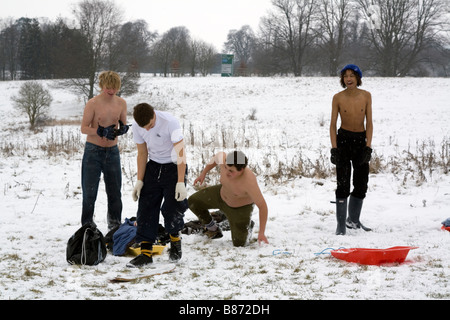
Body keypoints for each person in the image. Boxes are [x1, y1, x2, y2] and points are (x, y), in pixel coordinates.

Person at [128, 103, 188, 267]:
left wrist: (180, 182)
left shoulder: (170, 122)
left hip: (174, 167)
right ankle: (145, 254)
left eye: (150, 126)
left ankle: (175, 240)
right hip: (153, 166)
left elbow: (181, 152)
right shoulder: (137, 125)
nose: (147, 130)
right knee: (146, 208)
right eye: (144, 128)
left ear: (154, 115)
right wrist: (140, 180)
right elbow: (142, 153)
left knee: (171, 207)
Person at [80, 71, 129, 230]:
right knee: (89, 192)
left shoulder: (121, 103)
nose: (111, 91)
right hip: (93, 151)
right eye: (108, 87)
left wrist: (123, 129)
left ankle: (114, 225)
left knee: (115, 192)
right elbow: (83, 128)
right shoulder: (93, 103)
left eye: (114, 88)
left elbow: (123, 123)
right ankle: (87, 225)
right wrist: (99, 131)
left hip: (112, 151)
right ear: (102, 86)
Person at [188, 151, 269, 247]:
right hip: (220, 196)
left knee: (239, 244)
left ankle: (248, 225)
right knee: (193, 202)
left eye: (231, 171)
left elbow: (263, 207)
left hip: (239, 208)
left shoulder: (249, 181)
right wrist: (203, 173)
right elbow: (216, 157)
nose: (226, 172)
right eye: (225, 167)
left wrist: (261, 232)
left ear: (241, 170)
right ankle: (213, 229)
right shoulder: (224, 160)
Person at [330, 64, 373, 235]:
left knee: (361, 184)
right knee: (342, 183)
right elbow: (332, 124)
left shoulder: (367, 96)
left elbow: (369, 122)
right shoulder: (337, 98)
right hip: (343, 140)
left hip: (360, 141)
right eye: (345, 76)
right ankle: (341, 226)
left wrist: (368, 146)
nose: (348, 79)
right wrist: (334, 148)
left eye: (352, 76)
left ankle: (353, 220)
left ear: (357, 78)